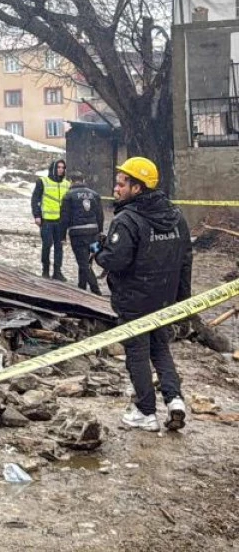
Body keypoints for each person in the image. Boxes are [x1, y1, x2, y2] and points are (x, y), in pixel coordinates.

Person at [94, 157, 191, 432]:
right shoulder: (175, 216)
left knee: (137, 354)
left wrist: (99, 252)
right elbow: (186, 259)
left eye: (121, 184)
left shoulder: (127, 220)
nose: (116, 189)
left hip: (134, 300)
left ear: (137, 188)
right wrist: (183, 301)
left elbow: (116, 261)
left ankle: (145, 412)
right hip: (164, 299)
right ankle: (175, 400)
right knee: (160, 349)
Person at [58, 171, 104, 295]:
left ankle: (96, 291)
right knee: (87, 261)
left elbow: (64, 218)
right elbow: (100, 215)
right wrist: (100, 232)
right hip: (94, 234)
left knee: (83, 263)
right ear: (83, 180)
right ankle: (81, 288)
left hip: (77, 234)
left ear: (71, 181)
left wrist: (62, 236)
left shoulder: (68, 196)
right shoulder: (94, 195)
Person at [31, 158, 68, 280]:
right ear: (53, 168)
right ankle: (45, 270)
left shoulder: (67, 184)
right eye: (58, 167)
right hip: (47, 220)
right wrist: (37, 215)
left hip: (61, 222)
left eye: (63, 168)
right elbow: (35, 199)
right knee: (47, 245)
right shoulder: (43, 181)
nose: (61, 170)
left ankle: (57, 271)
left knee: (59, 247)